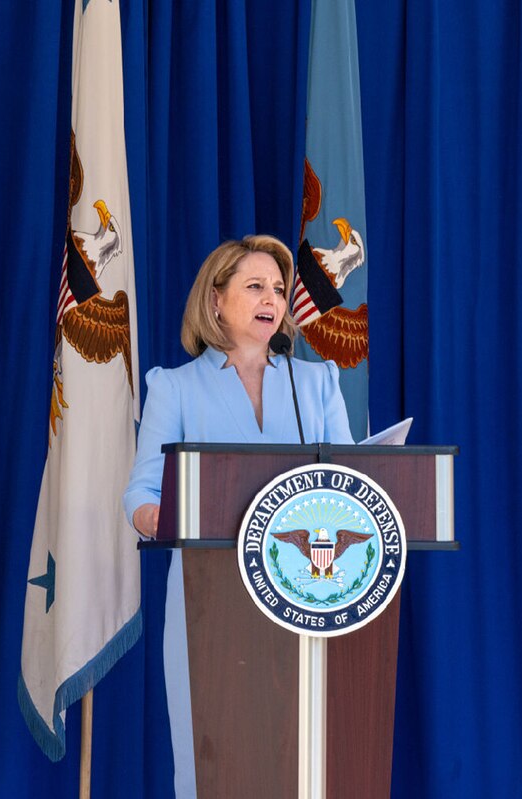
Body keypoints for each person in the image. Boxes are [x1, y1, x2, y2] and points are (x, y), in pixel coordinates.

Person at [122, 234, 353, 794]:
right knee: (213, 760)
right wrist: (163, 518)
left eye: (277, 287)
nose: (271, 297)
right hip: (209, 599)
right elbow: (141, 494)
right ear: (216, 299)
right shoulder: (174, 388)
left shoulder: (317, 383)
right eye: (254, 286)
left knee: (300, 763)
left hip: (306, 593)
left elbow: (353, 486)